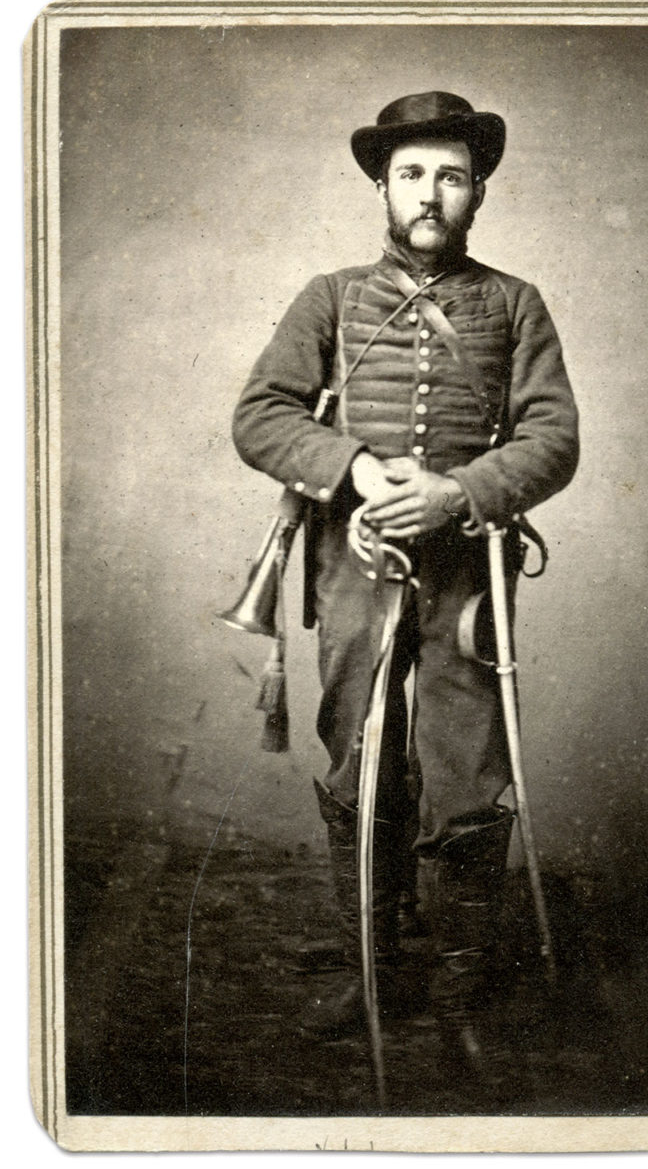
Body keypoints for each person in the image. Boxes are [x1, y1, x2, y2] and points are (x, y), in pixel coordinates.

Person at [232, 91, 579, 1071]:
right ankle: (375, 970)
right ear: (381, 183)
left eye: (452, 175)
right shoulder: (329, 297)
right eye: (413, 173)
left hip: (471, 572)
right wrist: (353, 469)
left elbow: (552, 438)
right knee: (360, 765)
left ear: (477, 190)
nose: (431, 193)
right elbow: (260, 415)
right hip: (353, 567)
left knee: (468, 779)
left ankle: (463, 986)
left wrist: (459, 491)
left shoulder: (515, 303)